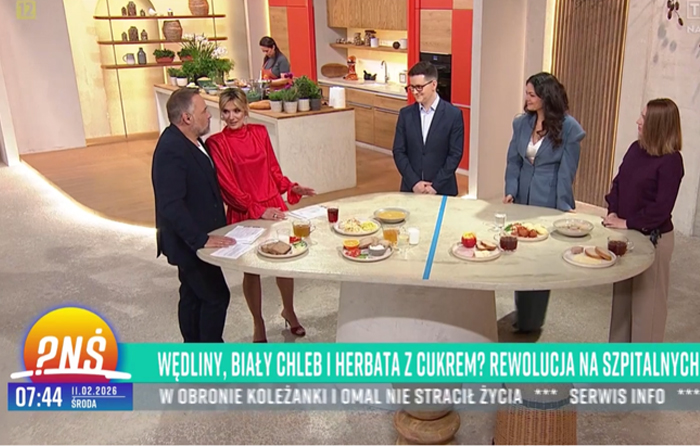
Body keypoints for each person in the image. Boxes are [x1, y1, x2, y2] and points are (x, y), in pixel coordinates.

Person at [206, 88, 316, 343]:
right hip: (245, 212)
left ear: (245, 110)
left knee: (284, 263)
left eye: (236, 110)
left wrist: (291, 187)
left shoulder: (260, 132)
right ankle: (258, 322)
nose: (231, 116)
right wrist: (257, 210)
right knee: (251, 270)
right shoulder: (216, 143)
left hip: (273, 207)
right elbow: (227, 187)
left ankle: (289, 310)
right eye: (225, 111)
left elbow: (273, 171)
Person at [151, 87, 236, 343]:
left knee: (192, 295)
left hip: (200, 236)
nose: (209, 115)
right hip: (189, 242)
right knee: (216, 296)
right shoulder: (171, 149)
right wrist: (201, 239)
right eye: (204, 111)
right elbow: (171, 205)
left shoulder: (193, 141)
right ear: (187, 118)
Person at [503, 72, 586, 333]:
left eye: (532, 95)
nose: (526, 98)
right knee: (522, 257)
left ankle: (533, 320)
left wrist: (563, 206)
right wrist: (510, 190)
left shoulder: (569, 128)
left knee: (539, 261)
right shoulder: (521, 123)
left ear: (545, 97)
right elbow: (513, 161)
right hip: (522, 200)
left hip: (547, 201)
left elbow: (567, 172)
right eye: (526, 93)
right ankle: (523, 313)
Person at [604, 98, 684, 343]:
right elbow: (619, 184)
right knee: (621, 307)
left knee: (647, 312)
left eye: (644, 118)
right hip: (626, 236)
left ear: (658, 125)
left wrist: (628, 222)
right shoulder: (635, 149)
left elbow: (661, 208)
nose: (638, 121)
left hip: (653, 240)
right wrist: (613, 212)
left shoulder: (671, 161)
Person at [392, 61, 464, 196]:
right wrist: (414, 183)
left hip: (442, 190)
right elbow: (399, 151)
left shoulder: (453, 115)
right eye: (412, 87)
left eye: (419, 87)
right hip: (411, 190)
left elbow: (455, 155)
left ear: (433, 85)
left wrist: (435, 186)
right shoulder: (405, 115)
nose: (415, 92)